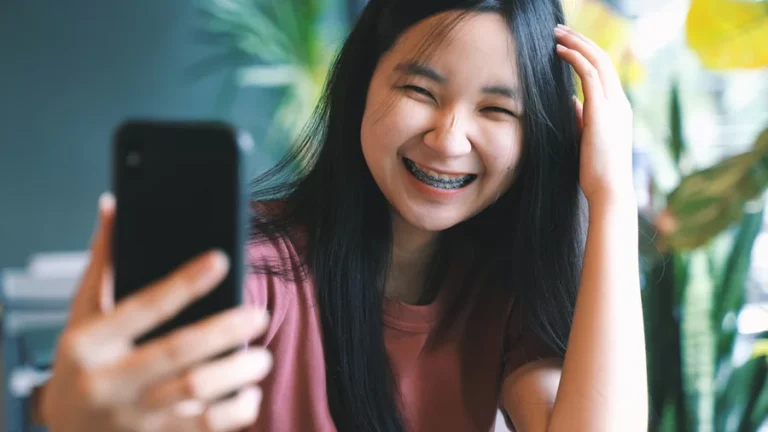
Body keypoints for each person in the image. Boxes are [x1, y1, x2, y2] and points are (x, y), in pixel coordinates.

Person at [36, 0, 648, 431]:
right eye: (420, 91)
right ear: (363, 86)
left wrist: (612, 196)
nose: (450, 137)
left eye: (497, 110)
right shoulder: (256, 280)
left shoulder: (502, 297)